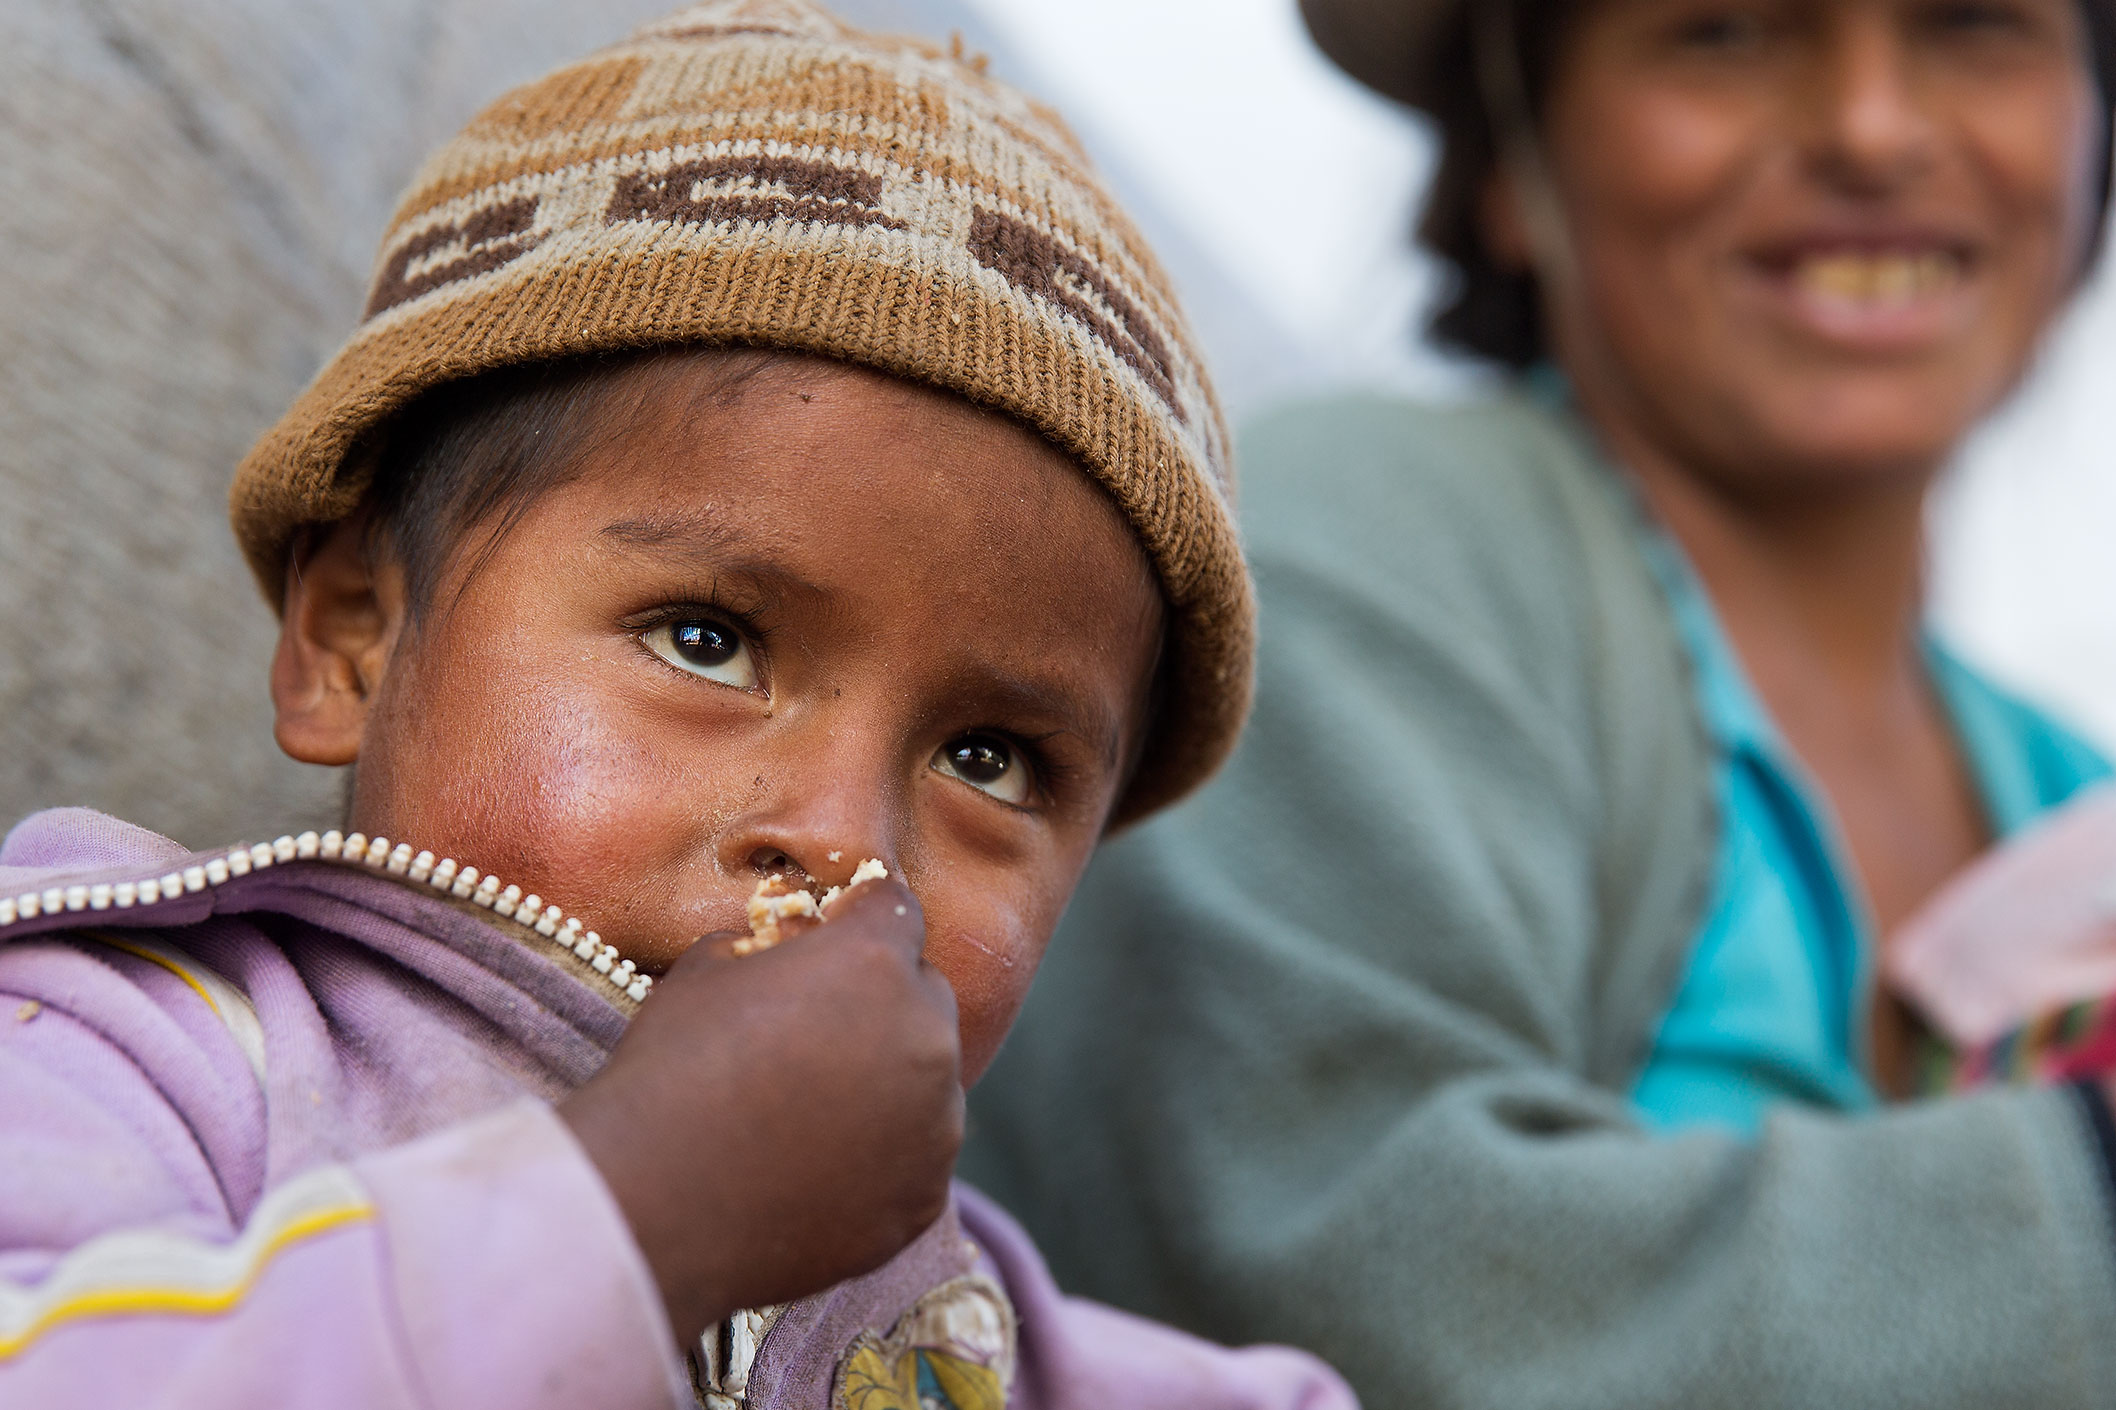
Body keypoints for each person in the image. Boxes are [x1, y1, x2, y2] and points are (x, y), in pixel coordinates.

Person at [0, 4, 1358, 1406]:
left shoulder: (963, 1328)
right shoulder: (146, 1057)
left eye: (989, 756)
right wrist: (634, 1216)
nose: (846, 844)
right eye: (707, 640)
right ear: (353, 636)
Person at [962, 2, 2116, 1407]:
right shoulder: (1347, 547)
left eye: (1976, 26)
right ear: (1511, 162)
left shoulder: (2071, 793)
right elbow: (1346, 1296)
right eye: (1726, 32)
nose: (1871, 129)